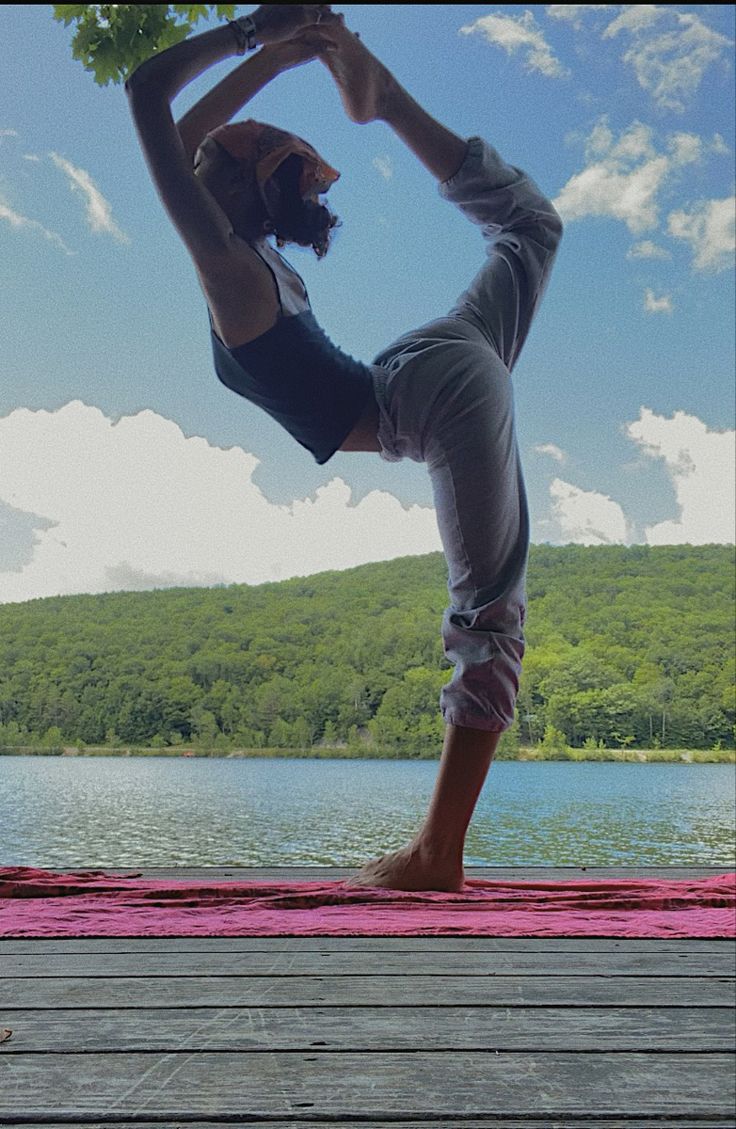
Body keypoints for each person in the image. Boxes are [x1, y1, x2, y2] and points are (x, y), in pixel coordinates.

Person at [125, 4, 563, 892]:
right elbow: (177, 120)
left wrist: (264, 38)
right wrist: (280, 54)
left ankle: (437, 855)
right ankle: (388, 105)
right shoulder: (235, 261)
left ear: (240, 190)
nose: (197, 147)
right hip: (426, 368)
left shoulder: (235, 265)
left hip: (428, 390)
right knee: (530, 229)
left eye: (215, 155)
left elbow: (154, 101)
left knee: (487, 615)